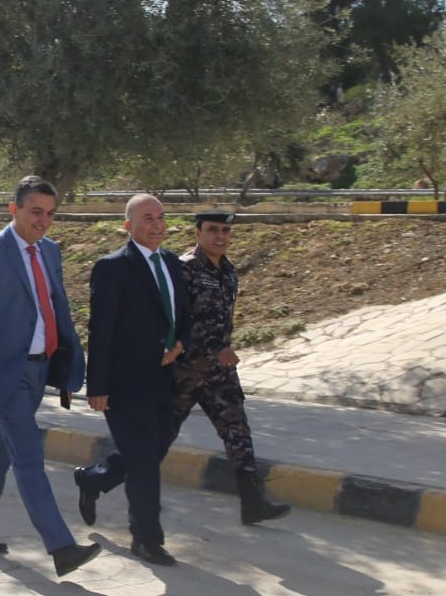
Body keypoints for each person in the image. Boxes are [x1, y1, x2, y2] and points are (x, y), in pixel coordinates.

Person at [75, 210, 290, 527]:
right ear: (197, 233)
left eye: (225, 231)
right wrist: (213, 346)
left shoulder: (229, 271)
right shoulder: (183, 268)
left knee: (238, 433)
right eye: (213, 230)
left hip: (218, 374)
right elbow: (179, 319)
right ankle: (95, 478)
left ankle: (252, 502)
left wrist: (220, 350)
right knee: (153, 447)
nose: (220, 237)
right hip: (182, 373)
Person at [0, 177, 100, 577]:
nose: (43, 221)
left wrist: (66, 363)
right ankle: (61, 546)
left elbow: (56, 308)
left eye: (50, 214)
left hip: (41, 367)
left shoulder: (49, 250)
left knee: (0, 448)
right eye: (36, 212)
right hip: (6, 373)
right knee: (28, 454)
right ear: (14, 209)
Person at [82, 193, 188, 566]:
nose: (157, 225)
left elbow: (181, 313)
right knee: (143, 463)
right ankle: (146, 539)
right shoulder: (113, 268)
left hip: (164, 378)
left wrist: (180, 343)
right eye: (148, 219)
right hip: (125, 382)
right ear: (128, 226)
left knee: (152, 450)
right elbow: (101, 330)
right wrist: (97, 385)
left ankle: (95, 479)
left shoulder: (171, 262)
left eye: (161, 217)